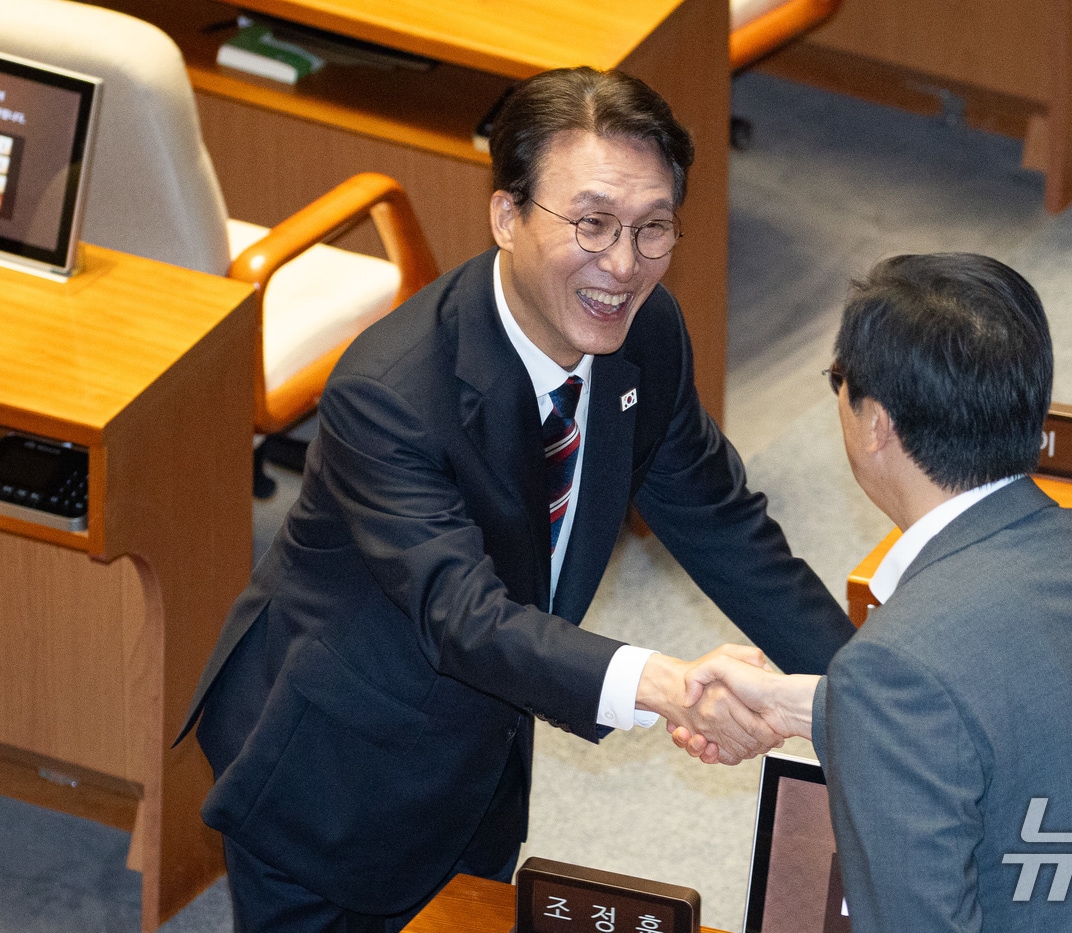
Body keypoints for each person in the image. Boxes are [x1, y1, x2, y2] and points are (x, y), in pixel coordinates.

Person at [176, 67, 854, 932]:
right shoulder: (388, 392)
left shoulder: (647, 334)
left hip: (481, 763)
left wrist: (863, 694)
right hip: (334, 771)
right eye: (593, 223)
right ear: (506, 215)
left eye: (653, 230)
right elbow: (465, 616)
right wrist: (666, 684)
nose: (623, 264)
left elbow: (721, 519)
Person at [677, 254, 1072, 932]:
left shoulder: (898, 663)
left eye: (839, 382)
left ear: (877, 425)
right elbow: (1001, 705)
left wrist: (864, 699)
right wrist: (806, 706)